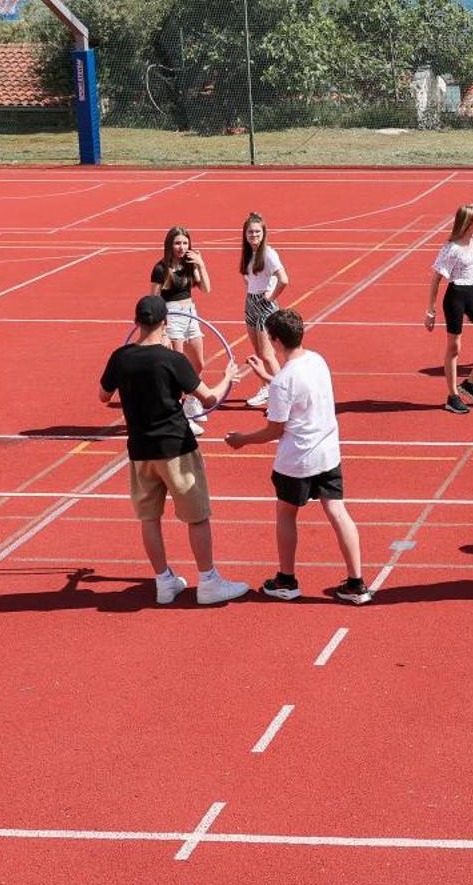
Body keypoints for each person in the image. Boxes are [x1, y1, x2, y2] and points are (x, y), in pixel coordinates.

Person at [97, 294, 249, 606]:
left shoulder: (120, 357)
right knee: (197, 517)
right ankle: (208, 581)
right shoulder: (172, 360)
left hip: (140, 449)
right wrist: (227, 378)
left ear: (137, 323)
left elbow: (102, 395)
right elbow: (208, 399)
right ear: (165, 323)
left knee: (149, 519)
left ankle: (163, 581)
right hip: (176, 448)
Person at [224, 307, 371, 605]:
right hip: (327, 454)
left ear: (275, 341)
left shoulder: (282, 381)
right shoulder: (317, 360)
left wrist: (242, 440)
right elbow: (294, 384)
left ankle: (286, 580)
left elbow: (274, 430)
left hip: (297, 461)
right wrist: (268, 376)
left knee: (286, 513)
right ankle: (356, 583)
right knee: (338, 512)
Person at [425, 204, 473, 415]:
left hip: (471, 294)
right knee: (454, 348)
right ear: (468, 223)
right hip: (456, 297)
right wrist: (431, 312)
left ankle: (470, 383)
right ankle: (452, 396)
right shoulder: (452, 249)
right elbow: (435, 279)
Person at [151, 226, 211, 434]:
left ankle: (191, 401)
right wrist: (163, 330)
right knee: (177, 370)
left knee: (198, 363)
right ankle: (179, 417)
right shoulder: (160, 269)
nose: (182, 247)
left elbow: (206, 289)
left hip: (190, 313)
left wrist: (201, 265)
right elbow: (153, 300)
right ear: (169, 245)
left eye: (185, 243)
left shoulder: (189, 265)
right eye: (177, 243)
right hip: (172, 316)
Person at [239, 213, 289, 410]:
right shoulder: (249, 254)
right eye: (250, 232)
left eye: (257, 232)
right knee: (259, 353)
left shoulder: (268, 254)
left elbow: (284, 279)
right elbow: (248, 276)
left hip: (264, 305)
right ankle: (266, 388)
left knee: (268, 355)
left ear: (264, 233)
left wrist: (270, 296)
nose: (254, 235)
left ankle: (282, 396)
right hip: (251, 302)